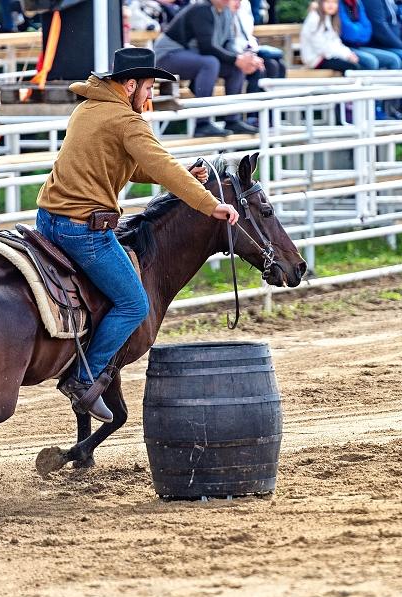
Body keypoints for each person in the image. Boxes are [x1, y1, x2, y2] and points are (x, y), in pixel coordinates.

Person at [36, 47, 239, 422]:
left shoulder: (89, 108)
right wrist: (210, 204)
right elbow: (160, 163)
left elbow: (134, 164)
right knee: (134, 303)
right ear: (130, 85)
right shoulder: (127, 121)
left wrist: (182, 174)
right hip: (83, 230)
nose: (149, 96)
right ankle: (83, 378)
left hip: (48, 220)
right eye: (148, 88)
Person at [154, 0, 262, 137]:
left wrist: (245, 59)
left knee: (235, 68)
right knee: (211, 63)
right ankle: (202, 123)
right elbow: (207, 47)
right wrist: (238, 59)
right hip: (167, 56)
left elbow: (228, 43)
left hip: (194, 57)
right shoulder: (201, 8)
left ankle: (233, 120)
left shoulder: (226, 11)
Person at [231, 0, 286, 94]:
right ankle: (253, 103)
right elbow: (230, 41)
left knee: (278, 65)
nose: (238, 3)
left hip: (248, 48)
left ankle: (272, 102)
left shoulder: (244, 4)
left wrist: (251, 52)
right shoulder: (224, 9)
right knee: (260, 69)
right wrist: (246, 56)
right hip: (235, 52)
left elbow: (248, 32)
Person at [300, 0, 360, 74]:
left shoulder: (328, 17)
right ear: (321, 3)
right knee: (352, 67)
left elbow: (335, 42)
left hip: (326, 55)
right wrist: (345, 55)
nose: (331, 5)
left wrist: (349, 53)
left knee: (356, 63)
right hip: (315, 59)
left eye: (334, 2)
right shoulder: (315, 18)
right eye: (327, 2)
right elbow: (321, 48)